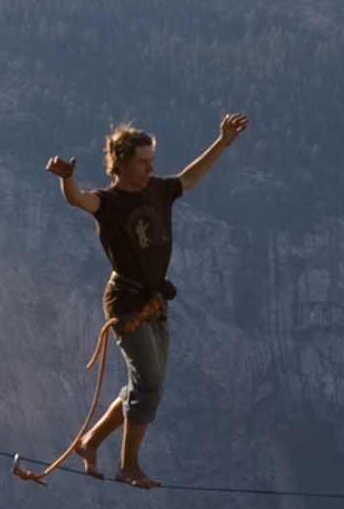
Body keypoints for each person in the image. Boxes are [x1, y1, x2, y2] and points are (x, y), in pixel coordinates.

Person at [39, 111, 248, 489]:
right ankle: (128, 465)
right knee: (149, 384)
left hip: (155, 303)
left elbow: (191, 176)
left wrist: (222, 143)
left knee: (147, 384)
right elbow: (76, 200)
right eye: (144, 162)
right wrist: (67, 178)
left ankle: (90, 443)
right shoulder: (108, 202)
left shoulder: (159, 191)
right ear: (120, 163)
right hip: (126, 304)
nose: (151, 169)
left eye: (152, 162)